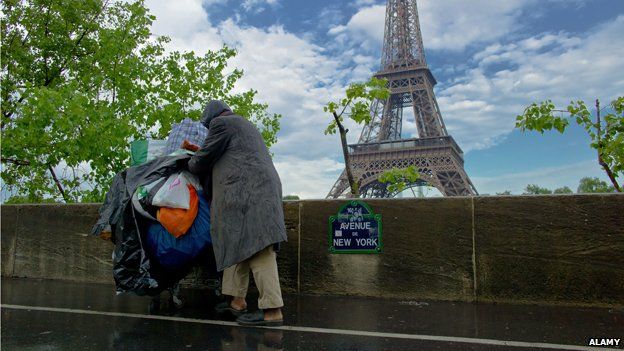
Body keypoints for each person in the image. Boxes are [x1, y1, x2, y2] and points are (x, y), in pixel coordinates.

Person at [188, 100, 287, 326]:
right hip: (256, 190)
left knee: (260, 248)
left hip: (250, 193)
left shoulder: (222, 124)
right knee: (236, 243)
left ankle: (272, 311)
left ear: (213, 117)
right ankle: (236, 301)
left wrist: (192, 157)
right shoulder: (243, 125)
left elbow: (199, 164)